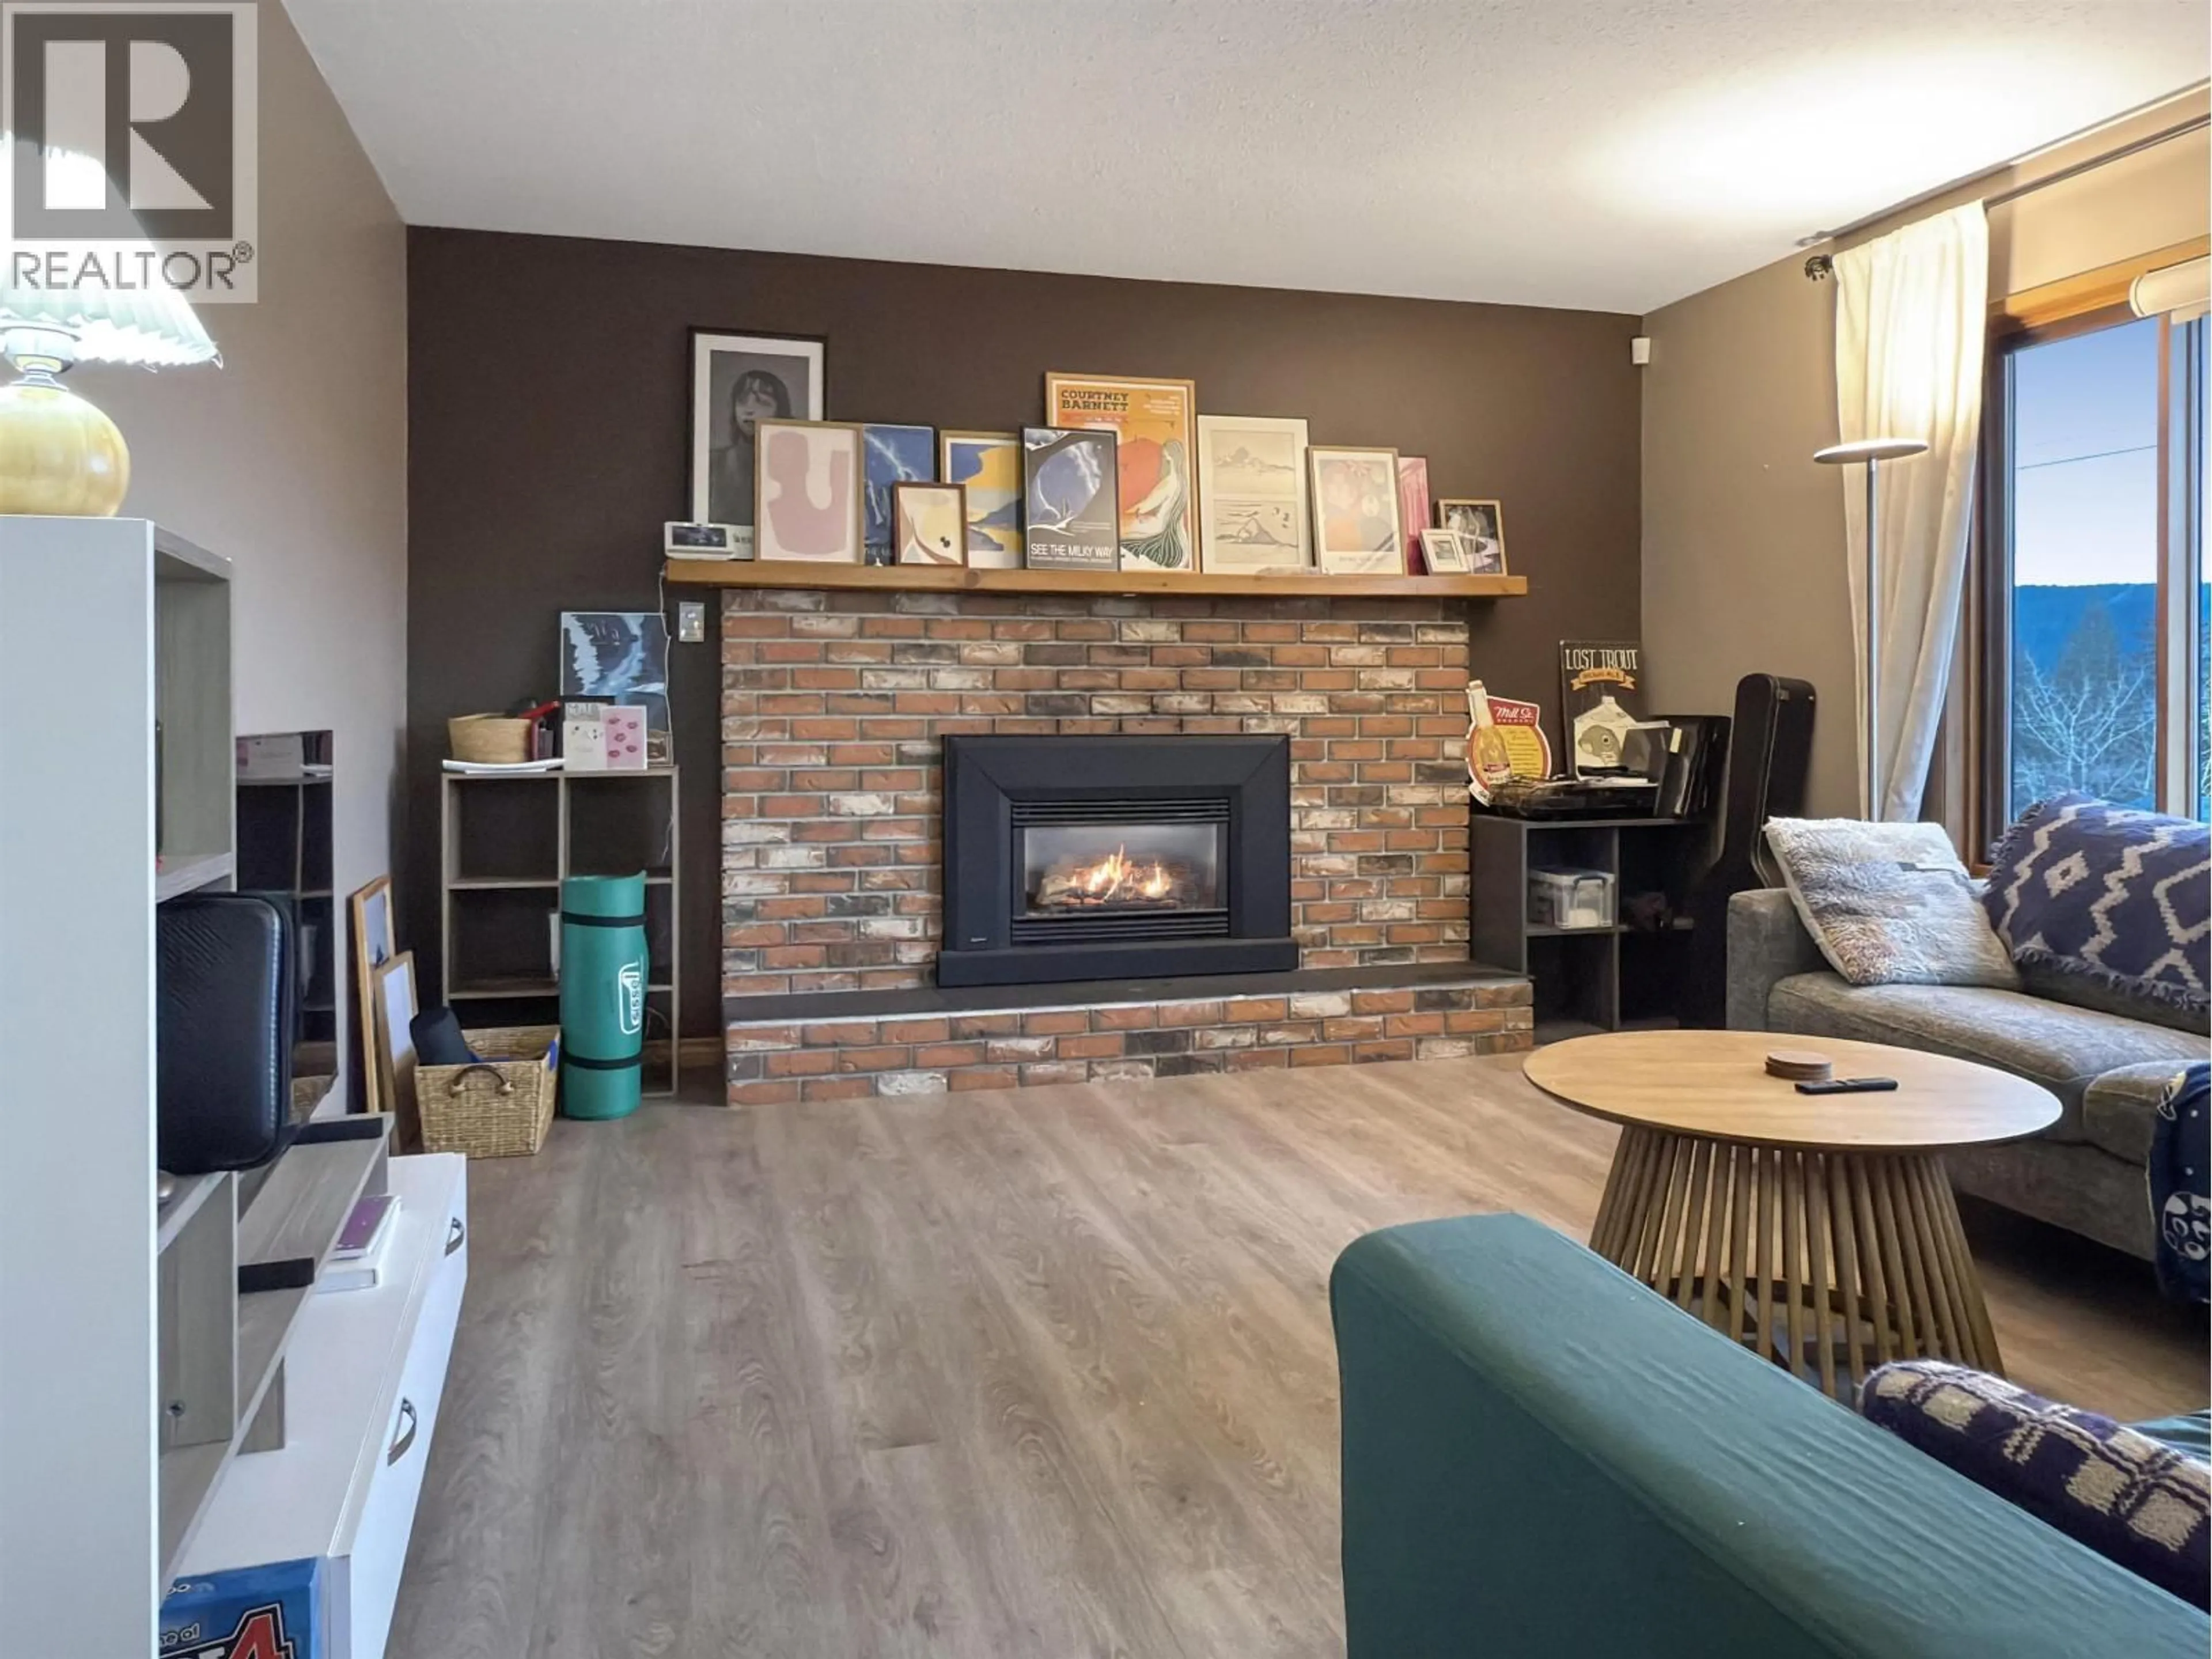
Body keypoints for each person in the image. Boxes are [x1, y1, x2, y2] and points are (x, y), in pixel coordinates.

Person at [707, 366, 791, 524]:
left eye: (762, 402)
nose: (749, 410)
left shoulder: (797, 466)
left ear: (780, 411)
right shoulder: (714, 462)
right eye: (742, 401)